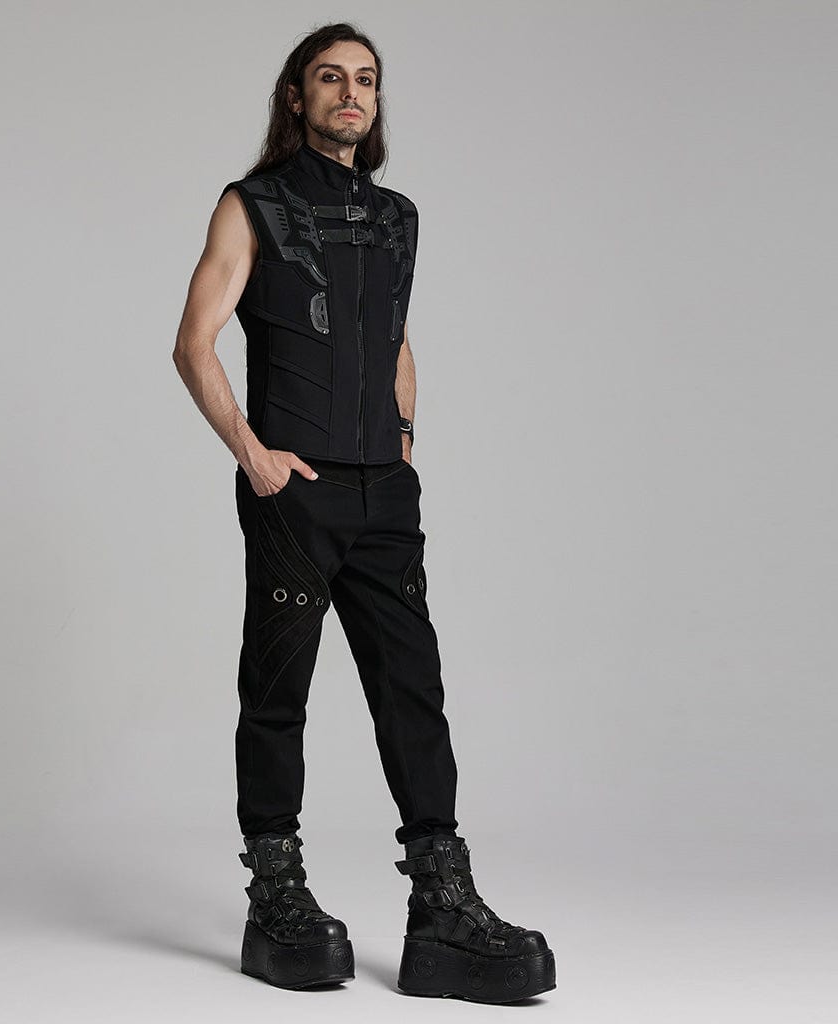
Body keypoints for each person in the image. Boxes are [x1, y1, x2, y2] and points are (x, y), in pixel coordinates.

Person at [173, 22, 556, 1004]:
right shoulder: (251, 203)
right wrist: (253, 455)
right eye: (331, 77)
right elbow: (194, 341)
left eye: (366, 80)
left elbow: (394, 338)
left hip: (384, 491)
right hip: (293, 492)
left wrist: (405, 441)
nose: (351, 93)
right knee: (278, 690)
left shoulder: (396, 218)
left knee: (412, 690)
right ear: (296, 95)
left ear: (376, 102)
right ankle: (277, 898)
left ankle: (442, 909)